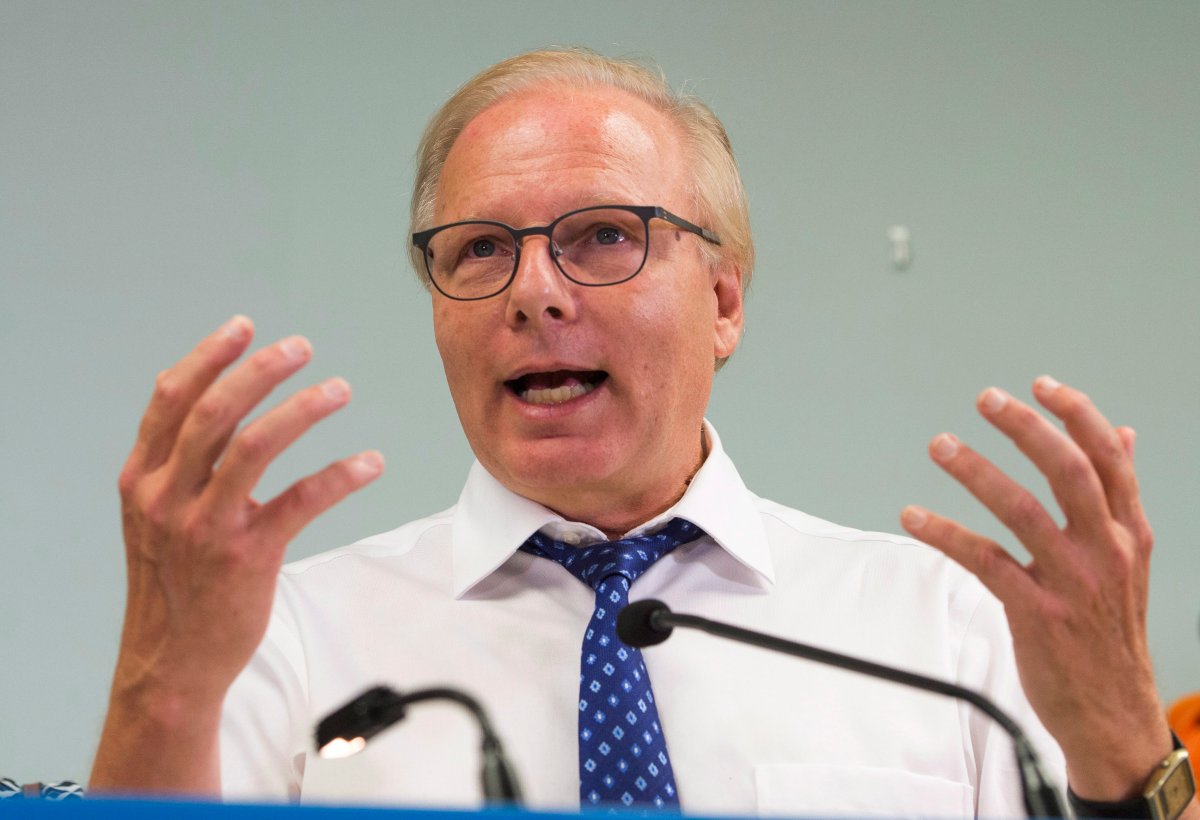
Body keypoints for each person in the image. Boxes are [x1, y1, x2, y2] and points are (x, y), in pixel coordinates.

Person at [89, 49, 1195, 817]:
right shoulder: (288, 637)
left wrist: (1122, 739)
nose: (531, 291)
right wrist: (159, 683)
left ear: (723, 301)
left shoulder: (946, 630)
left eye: (604, 235)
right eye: (477, 249)